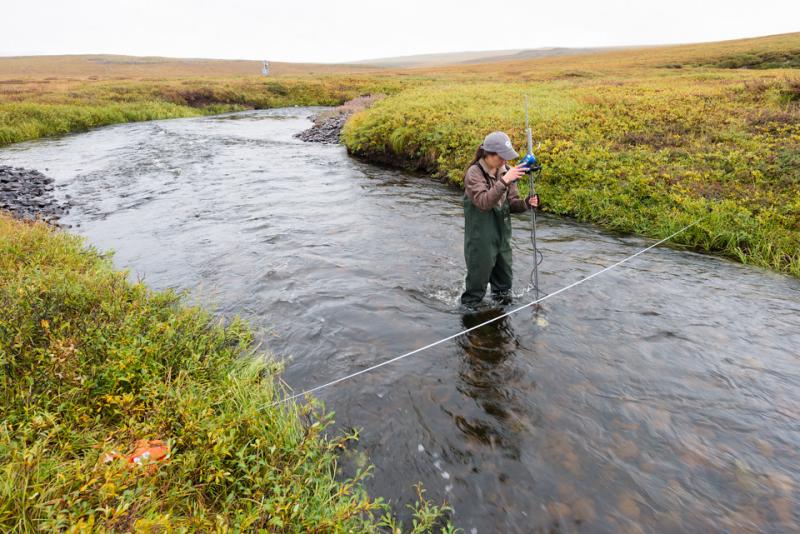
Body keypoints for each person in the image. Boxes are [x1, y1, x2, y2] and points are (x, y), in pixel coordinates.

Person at [460, 131, 540, 308]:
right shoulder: (474, 173)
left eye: (507, 157)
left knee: (504, 286)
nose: (505, 161)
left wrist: (526, 203)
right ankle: (471, 327)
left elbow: (511, 204)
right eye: (501, 157)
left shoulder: (506, 171)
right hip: (480, 239)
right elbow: (483, 203)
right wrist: (504, 181)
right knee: (476, 289)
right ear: (488, 154)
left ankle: (500, 319)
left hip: (502, 237)